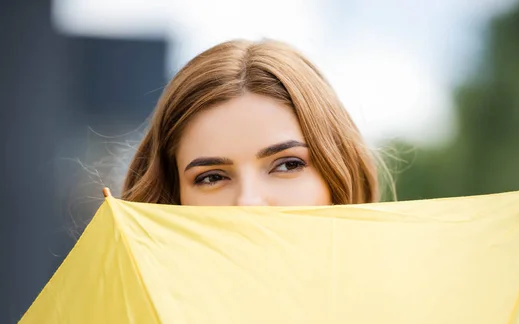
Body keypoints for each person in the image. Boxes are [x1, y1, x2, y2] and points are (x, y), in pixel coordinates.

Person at [121, 39, 384, 206]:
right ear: (174, 197)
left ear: (339, 172)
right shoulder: (133, 295)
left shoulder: (402, 289)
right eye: (211, 177)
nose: (248, 202)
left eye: (288, 164)